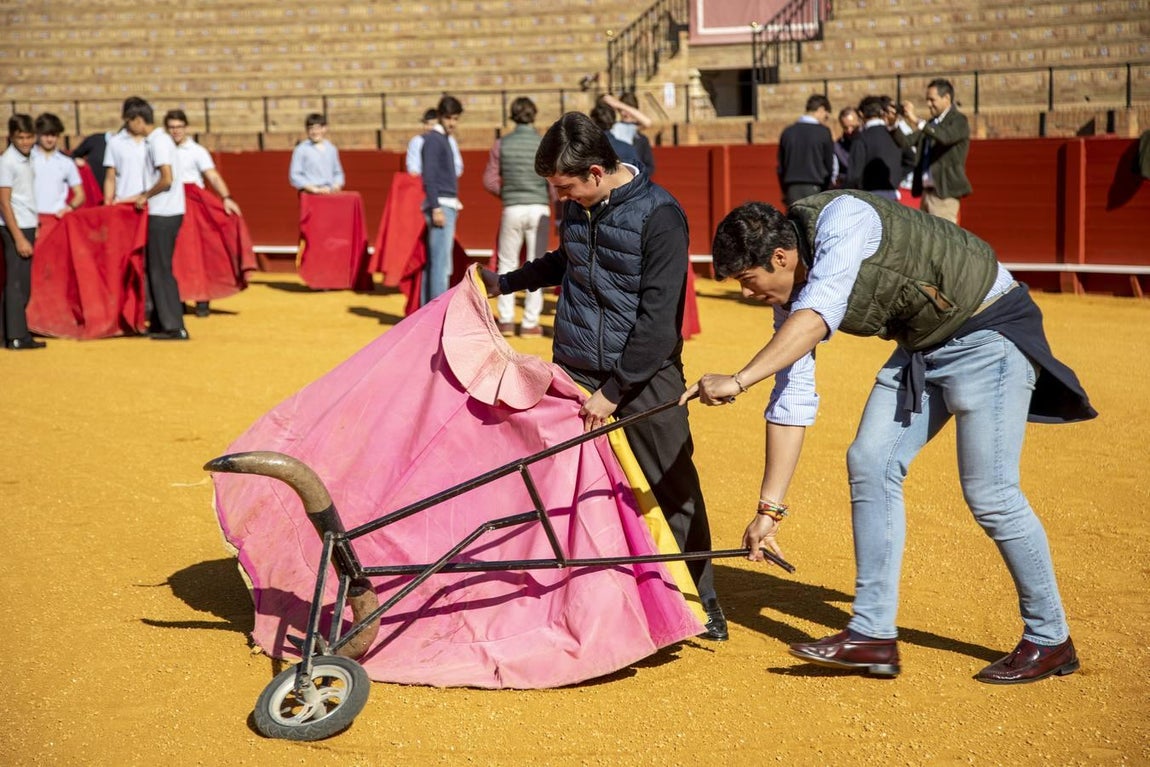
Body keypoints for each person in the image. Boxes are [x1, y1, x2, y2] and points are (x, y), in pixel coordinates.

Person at [685, 191, 1096, 682]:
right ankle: (873, 635)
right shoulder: (792, 295)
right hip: (925, 344)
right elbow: (793, 392)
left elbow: (817, 319)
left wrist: (736, 380)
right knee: (870, 461)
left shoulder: (844, 219)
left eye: (749, 282)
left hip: (988, 334)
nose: (747, 295)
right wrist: (768, 511)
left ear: (780, 257)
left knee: (991, 493)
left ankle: (1051, 639)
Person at [479, 112, 728, 641]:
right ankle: (587, 599)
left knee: (671, 482)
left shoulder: (660, 216)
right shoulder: (577, 206)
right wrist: (504, 283)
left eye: (567, 186)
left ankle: (702, 601)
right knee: (569, 485)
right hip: (574, 365)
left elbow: (659, 320)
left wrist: (613, 392)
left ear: (596, 171)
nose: (561, 197)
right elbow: (561, 261)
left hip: (642, 375)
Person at [108, 99, 188, 341]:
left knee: (160, 270)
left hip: (163, 213)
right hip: (164, 211)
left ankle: (174, 326)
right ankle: (161, 323)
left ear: (138, 120)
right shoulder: (159, 140)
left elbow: (166, 178)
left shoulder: (158, 141)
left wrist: (144, 196)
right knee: (156, 269)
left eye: (130, 122)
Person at [482, 96, 551, 337]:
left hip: (512, 208)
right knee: (539, 264)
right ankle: (530, 323)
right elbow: (552, 179)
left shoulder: (502, 143)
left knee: (507, 263)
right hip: (539, 208)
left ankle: (507, 320)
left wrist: (509, 193)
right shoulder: (544, 143)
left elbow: (489, 180)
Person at [165, 109, 241, 317]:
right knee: (173, 253)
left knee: (199, 252)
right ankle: (177, 299)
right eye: (171, 127)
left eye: (179, 127)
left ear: (186, 128)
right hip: (168, 203)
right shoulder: (161, 150)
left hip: (193, 206)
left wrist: (227, 197)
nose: (176, 131)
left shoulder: (197, 150)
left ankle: (201, 299)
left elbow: (213, 176)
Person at [0, 114, 45, 350]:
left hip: (25, 222)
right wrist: (18, 237)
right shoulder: (7, 162)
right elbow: (4, 202)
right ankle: (17, 336)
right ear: (12, 137)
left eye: (29, 137)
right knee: (17, 284)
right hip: (14, 226)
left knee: (19, 282)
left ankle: (8, 332)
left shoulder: (27, 157)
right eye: (21, 137)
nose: (26, 141)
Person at [901, 79, 972, 223]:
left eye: (932, 99)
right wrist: (892, 125)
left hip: (944, 194)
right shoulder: (932, 123)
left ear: (946, 98)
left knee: (944, 241)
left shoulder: (959, 120)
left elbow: (945, 137)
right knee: (928, 241)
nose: (928, 104)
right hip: (927, 193)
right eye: (927, 99)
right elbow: (906, 142)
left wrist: (917, 121)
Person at [419, 95, 464, 305]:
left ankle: (427, 311)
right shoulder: (434, 140)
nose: (452, 123)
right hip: (441, 205)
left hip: (445, 204)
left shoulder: (440, 139)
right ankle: (435, 313)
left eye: (455, 118)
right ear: (439, 117)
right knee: (440, 264)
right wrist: (436, 206)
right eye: (448, 118)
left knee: (437, 262)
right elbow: (429, 176)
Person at [845, 96, 914, 201]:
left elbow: (854, 175)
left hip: (869, 197)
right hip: (893, 194)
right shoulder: (895, 135)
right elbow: (911, 160)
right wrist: (897, 175)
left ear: (861, 114)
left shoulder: (861, 138)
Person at [776, 94, 835, 208]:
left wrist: (785, 190)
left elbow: (780, 168)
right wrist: (827, 188)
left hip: (791, 188)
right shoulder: (823, 132)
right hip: (816, 187)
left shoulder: (788, 132)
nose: (825, 120)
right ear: (821, 109)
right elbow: (829, 165)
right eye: (826, 116)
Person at [31, 112, 85, 218]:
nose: (50, 139)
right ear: (37, 134)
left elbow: (80, 194)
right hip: (30, 218)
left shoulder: (66, 162)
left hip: (56, 218)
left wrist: (69, 208)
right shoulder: (26, 159)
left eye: (53, 135)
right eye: (46, 135)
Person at [289, 113, 344, 194]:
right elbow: (295, 175)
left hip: (329, 193)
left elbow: (338, 172)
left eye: (318, 128)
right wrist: (314, 189)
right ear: (307, 130)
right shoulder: (301, 149)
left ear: (324, 128)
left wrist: (336, 185)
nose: (315, 132)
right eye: (311, 128)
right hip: (310, 194)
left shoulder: (331, 149)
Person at [605, 92, 656, 176]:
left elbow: (647, 122)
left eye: (628, 110)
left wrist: (618, 104)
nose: (625, 114)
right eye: (621, 110)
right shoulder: (614, 127)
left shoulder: (641, 138)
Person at [406, 107, 463, 178]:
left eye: (433, 124)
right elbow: (413, 167)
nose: (429, 127)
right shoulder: (417, 141)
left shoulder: (449, 140)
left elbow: (457, 167)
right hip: (422, 182)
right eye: (426, 124)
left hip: (444, 182)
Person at [588, 101, 640, 167]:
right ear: (613, 121)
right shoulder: (627, 148)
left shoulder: (586, 149)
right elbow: (639, 173)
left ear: (593, 121)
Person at [831, 107, 860, 188]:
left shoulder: (867, 142)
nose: (849, 130)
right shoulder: (838, 147)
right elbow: (835, 172)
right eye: (845, 128)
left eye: (853, 126)